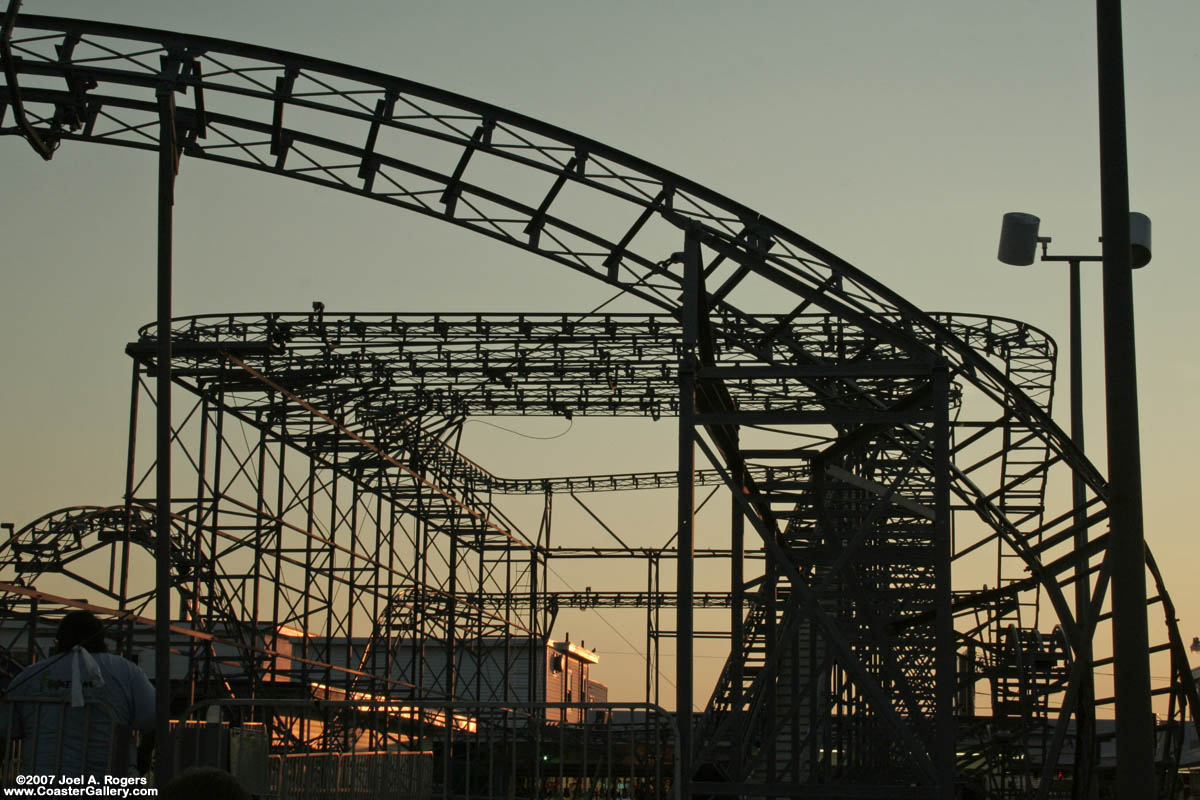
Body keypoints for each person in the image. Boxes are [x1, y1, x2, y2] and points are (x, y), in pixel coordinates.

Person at [1, 610, 156, 777]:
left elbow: (5, 728)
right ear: (101, 639)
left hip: (41, 782)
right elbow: (155, 719)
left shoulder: (31, 675)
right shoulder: (126, 671)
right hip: (109, 783)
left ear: (59, 640)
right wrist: (142, 758)